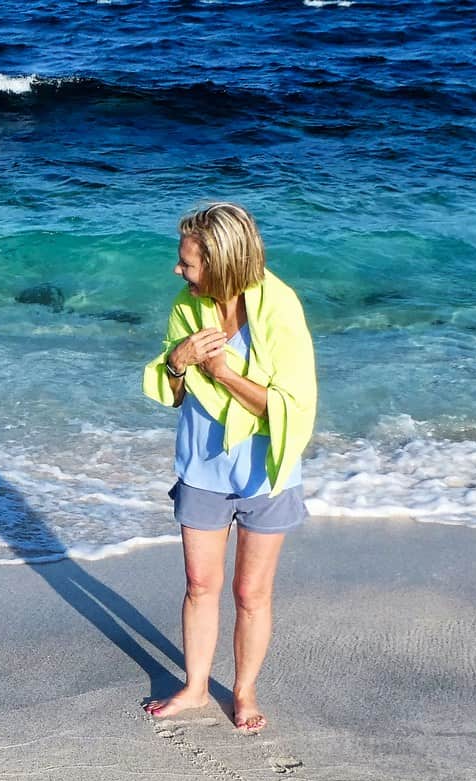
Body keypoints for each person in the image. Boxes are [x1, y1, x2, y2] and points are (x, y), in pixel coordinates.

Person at [140, 201, 317, 734]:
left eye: (188, 263)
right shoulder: (186, 306)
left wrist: (221, 370)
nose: (179, 270)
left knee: (251, 593)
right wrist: (178, 361)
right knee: (200, 585)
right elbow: (172, 394)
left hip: (266, 468)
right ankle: (195, 688)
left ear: (220, 264)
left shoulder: (281, 308)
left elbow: (292, 406)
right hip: (203, 464)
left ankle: (243, 691)